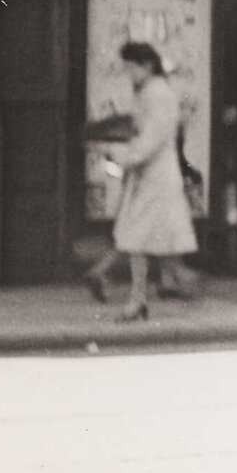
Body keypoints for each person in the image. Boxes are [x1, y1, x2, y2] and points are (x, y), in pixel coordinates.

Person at [93, 43, 199, 320]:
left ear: (147, 66)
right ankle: (144, 297)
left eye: (131, 67)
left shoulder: (159, 94)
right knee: (138, 239)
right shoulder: (149, 93)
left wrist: (124, 156)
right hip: (148, 176)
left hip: (157, 177)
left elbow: (154, 137)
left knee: (138, 238)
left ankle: (143, 297)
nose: (128, 73)